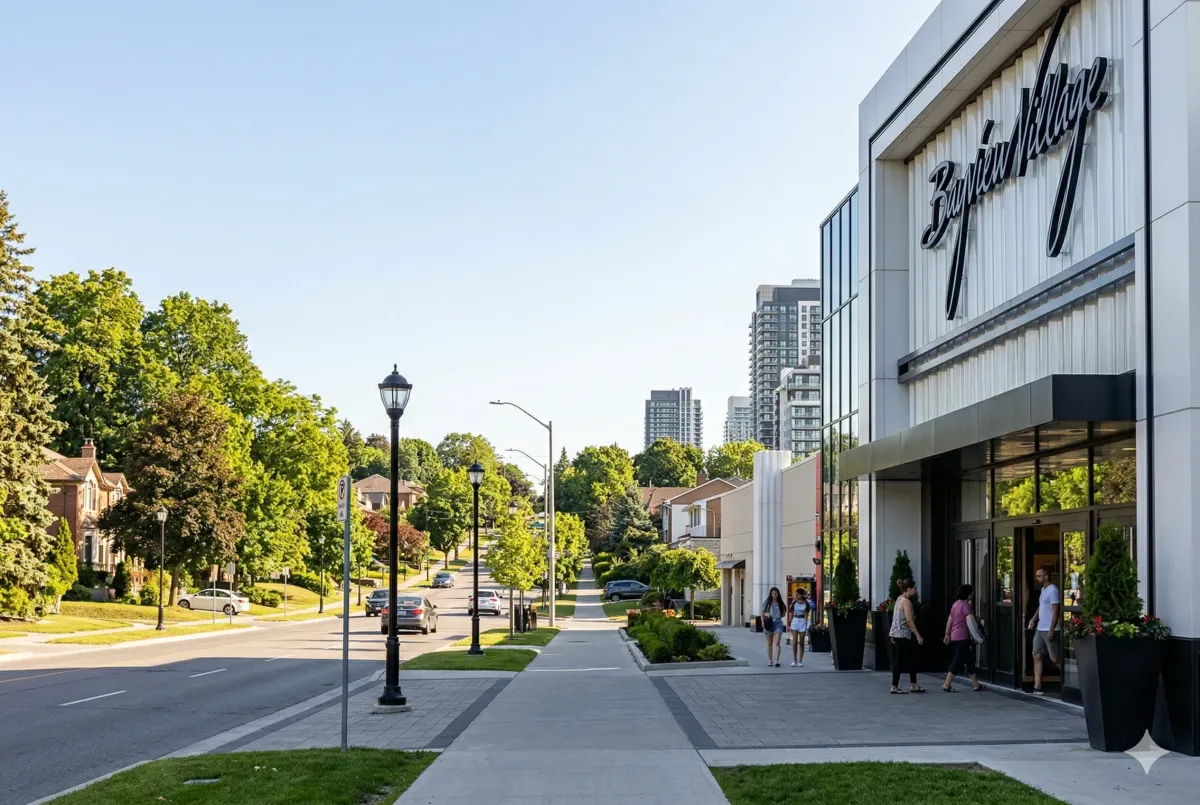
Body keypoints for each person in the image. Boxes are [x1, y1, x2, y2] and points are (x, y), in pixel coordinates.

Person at [942, 584, 984, 692]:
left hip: (954, 636)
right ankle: (947, 684)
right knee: (958, 660)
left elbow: (950, 619)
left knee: (969, 660)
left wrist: (947, 633)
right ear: (968, 594)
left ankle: (975, 684)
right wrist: (978, 636)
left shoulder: (955, 605)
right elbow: (971, 621)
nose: (973, 594)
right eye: (971, 592)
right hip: (962, 637)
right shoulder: (966, 606)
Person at [1027, 564, 1060, 695]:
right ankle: (1037, 685)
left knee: (1055, 659)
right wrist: (1033, 618)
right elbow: (1041, 607)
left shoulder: (1053, 590)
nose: (1037, 578)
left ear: (1046, 576)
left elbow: (1056, 610)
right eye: (1036, 575)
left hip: (1049, 629)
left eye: (1039, 575)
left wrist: (1052, 629)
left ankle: (1072, 682)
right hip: (1040, 628)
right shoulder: (1043, 590)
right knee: (1036, 655)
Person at [889, 579, 926, 694]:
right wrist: (918, 635)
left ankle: (912, 684)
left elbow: (896, 618)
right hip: (903, 635)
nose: (915, 590)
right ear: (908, 589)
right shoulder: (906, 602)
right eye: (914, 588)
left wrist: (892, 634)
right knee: (902, 661)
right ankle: (895, 686)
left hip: (897, 634)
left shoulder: (899, 599)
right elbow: (909, 620)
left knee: (910, 659)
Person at [762, 587, 785, 667]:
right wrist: (763, 621)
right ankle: (770, 660)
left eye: (775, 593)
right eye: (773, 593)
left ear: (778, 594)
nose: (774, 595)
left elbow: (783, 613)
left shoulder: (780, 603)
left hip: (778, 623)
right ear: (771, 594)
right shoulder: (767, 602)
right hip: (769, 622)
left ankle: (777, 660)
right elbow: (763, 612)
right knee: (769, 644)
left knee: (777, 642)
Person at [788, 588, 812, 667]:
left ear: (802, 595)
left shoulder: (806, 603)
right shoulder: (794, 602)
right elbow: (790, 611)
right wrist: (790, 620)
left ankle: (800, 660)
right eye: (796, 594)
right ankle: (794, 659)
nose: (796, 596)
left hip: (802, 621)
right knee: (794, 642)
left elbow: (807, 614)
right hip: (795, 620)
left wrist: (806, 624)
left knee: (801, 642)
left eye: (798, 594)